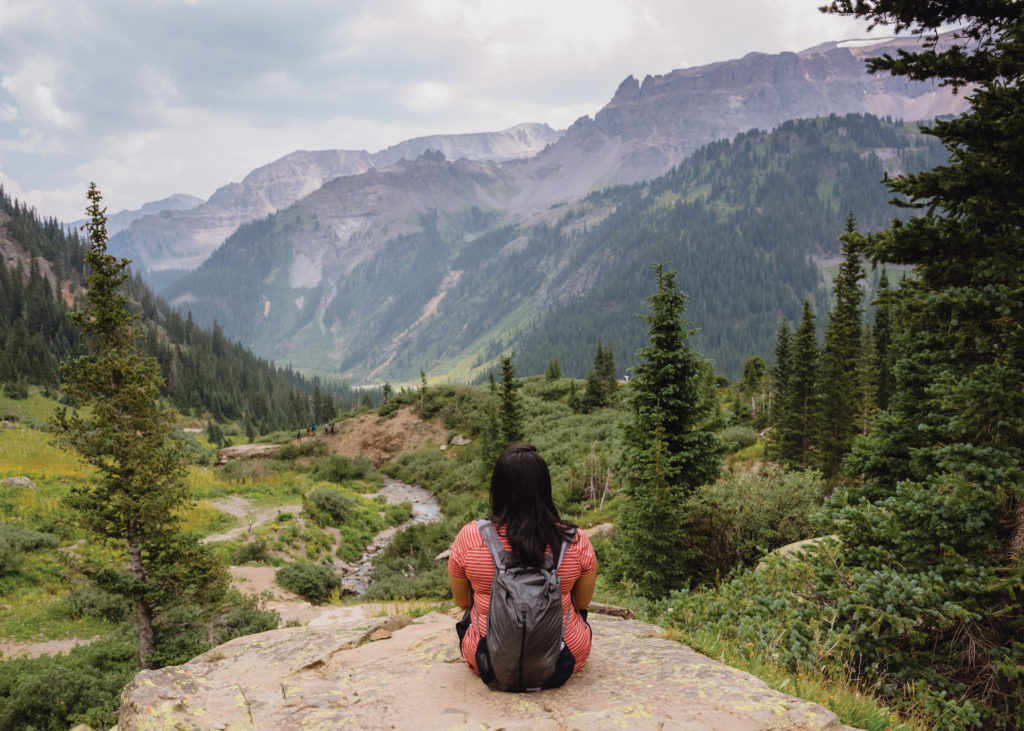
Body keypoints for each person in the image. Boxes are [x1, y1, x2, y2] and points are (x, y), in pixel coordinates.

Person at [448, 443, 597, 688]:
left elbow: (463, 602)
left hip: (490, 661)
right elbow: (582, 603)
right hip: (563, 660)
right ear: (545, 488)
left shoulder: (470, 537)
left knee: (469, 617)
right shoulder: (575, 540)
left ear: (498, 489)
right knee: (576, 612)